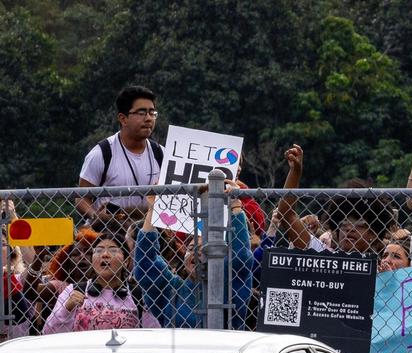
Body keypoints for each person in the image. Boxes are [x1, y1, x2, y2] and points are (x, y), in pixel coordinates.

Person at [134, 188, 254, 328]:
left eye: (205, 249)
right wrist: (154, 209)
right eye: (190, 249)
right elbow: (146, 266)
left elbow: (240, 258)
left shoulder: (230, 285)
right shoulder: (173, 290)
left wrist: (235, 206)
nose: (196, 252)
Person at [42, 228, 160, 334]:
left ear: (126, 261)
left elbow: (154, 335)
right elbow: (48, 332)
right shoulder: (73, 291)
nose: (105, 254)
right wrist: (67, 308)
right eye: (98, 250)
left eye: (113, 250)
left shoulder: (139, 295)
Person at [77, 85, 163, 220]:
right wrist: (98, 217)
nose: (148, 118)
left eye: (152, 113)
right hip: (111, 230)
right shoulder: (102, 153)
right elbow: (81, 199)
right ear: (123, 119)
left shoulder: (161, 154)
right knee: (108, 243)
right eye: (141, 113)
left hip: (150, 229)